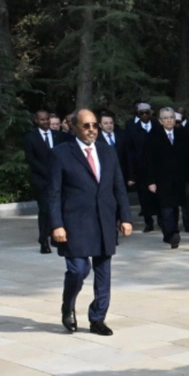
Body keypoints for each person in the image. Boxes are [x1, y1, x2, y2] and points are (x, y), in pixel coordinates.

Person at [48, 109, 132, 336]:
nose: (92, 129)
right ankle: (68, 305)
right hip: (74, 223)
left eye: (94, 125)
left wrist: (125, 217)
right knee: (78, 269)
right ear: (73, 127)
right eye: (86, 126)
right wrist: (56, 224)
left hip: (104, 220)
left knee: (103, 273)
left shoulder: (107, 152)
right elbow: (53, 193)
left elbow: (119, 187)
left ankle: (97, 318)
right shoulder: (61, 153)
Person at [146, 108, 189, 248]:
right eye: (166, 118)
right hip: (161, 179)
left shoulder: (182, 133)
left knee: (175, 207)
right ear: (160, 121)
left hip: (180, 178)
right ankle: (172, 234)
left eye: (171, 117)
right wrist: (151, 181)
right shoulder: (153, 135)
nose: (169, 120)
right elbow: (148, 161)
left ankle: (168, 233)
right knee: (166, 207)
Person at [23, 107, 57, 254]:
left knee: (56, 209)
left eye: (47, 119)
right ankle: (43, 239)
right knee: (44, 210)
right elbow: (31, 159)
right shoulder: (30, 137)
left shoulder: (58, 136)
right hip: (41, 179)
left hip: (58, 179)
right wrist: (47, 173)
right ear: (36, 121)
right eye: (42, 119)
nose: (46, 122)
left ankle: (55, 235)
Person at [126, 102, 157, 232]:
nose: (144, 115)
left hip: (157, 168)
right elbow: (130, 153)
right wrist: (131, 174)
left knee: (159, 196)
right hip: (141, 169)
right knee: (144, 198)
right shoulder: (133, 129)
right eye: (141, 113)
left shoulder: (158, 126)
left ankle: (162, 221)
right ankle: (148, 223)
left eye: (147, 112)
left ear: (151, 113)